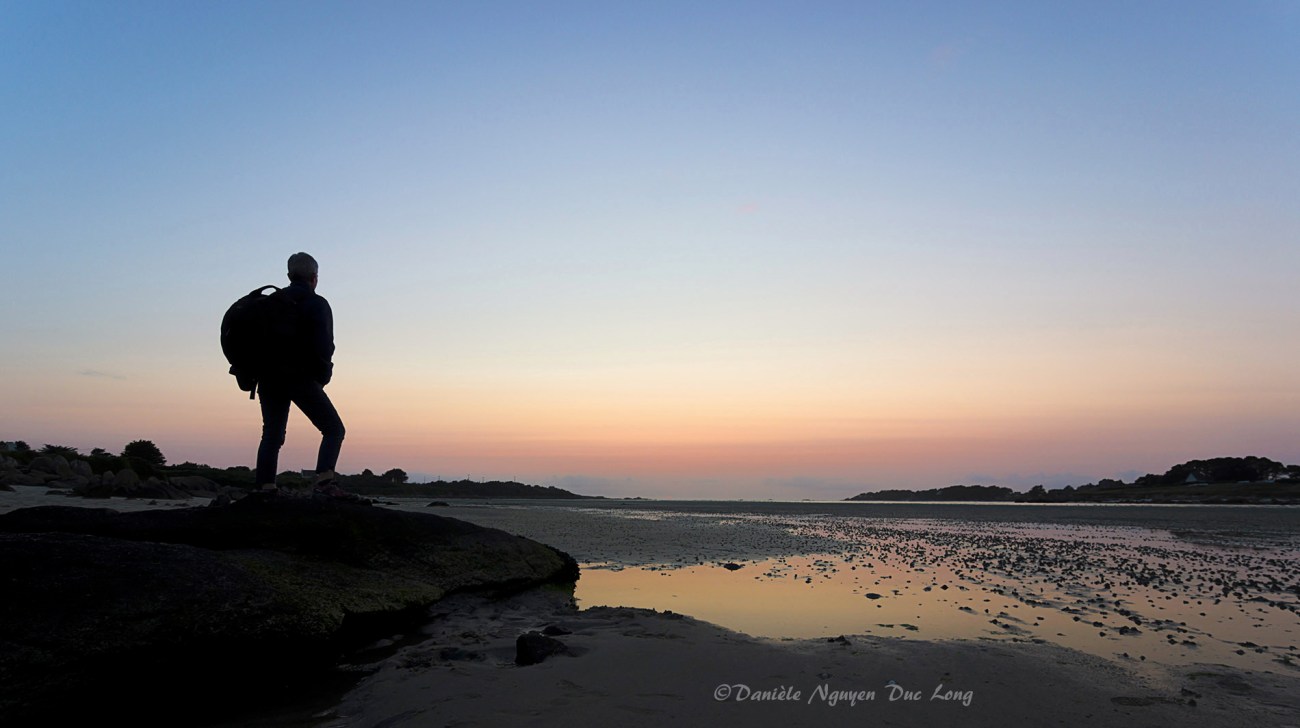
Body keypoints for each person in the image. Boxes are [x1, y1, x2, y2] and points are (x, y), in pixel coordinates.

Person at [254, 252, 348, 496]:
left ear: (288, 275)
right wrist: (323, 377)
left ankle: (265, 487)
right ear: (314, 278)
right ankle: (324, 482)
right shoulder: (316, 303)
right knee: (333, 429)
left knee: (272, 434)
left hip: (267, 377)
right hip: (300, 377)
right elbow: (325, 345)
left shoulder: (270, 302)